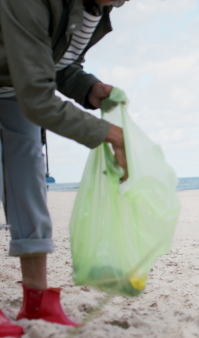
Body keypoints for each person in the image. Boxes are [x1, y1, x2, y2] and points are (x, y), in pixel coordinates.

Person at [0, 0, 130, 335]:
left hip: (14, 88)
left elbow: (54, 63)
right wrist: (106, 134)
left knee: (30, 182)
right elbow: (38, 95)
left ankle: (37, 300)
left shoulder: (97, 10)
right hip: (26, 90)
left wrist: (87, 88)